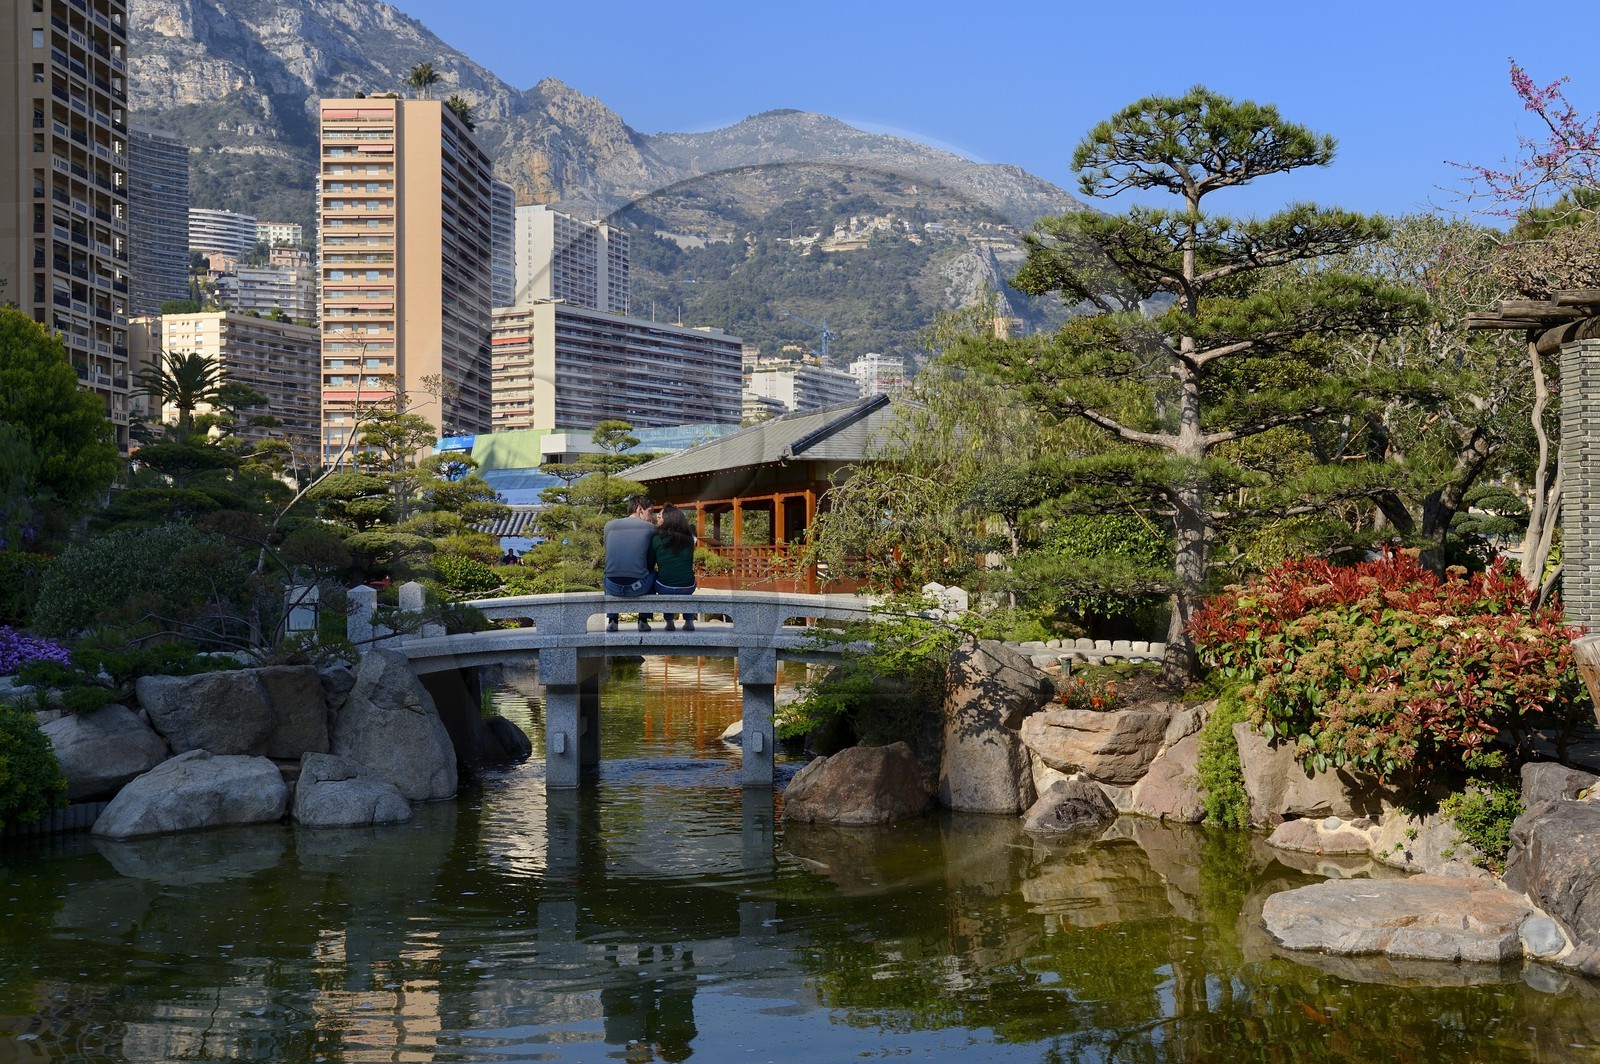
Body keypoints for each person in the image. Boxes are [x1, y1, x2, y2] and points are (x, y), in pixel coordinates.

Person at [603, 494, 658, 632]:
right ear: (640, 509)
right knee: (652, 572)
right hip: (637, 587)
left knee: (608, 571)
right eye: (650, 512)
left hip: (612, 587)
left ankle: (613, 620)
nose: (651, 517)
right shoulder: (650, 528)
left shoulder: (609, 526)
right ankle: (643, 620)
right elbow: (651, 559)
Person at [649, 504, 698, 631]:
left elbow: (650, 563)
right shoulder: (689, 540)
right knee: (685, 591)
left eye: (659, 517)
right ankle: (689, 621)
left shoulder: (656, 539)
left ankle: (670, 621)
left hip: (665, 586)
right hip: (689, 586)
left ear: (667, 520)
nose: (657, 519)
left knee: (658, 578)